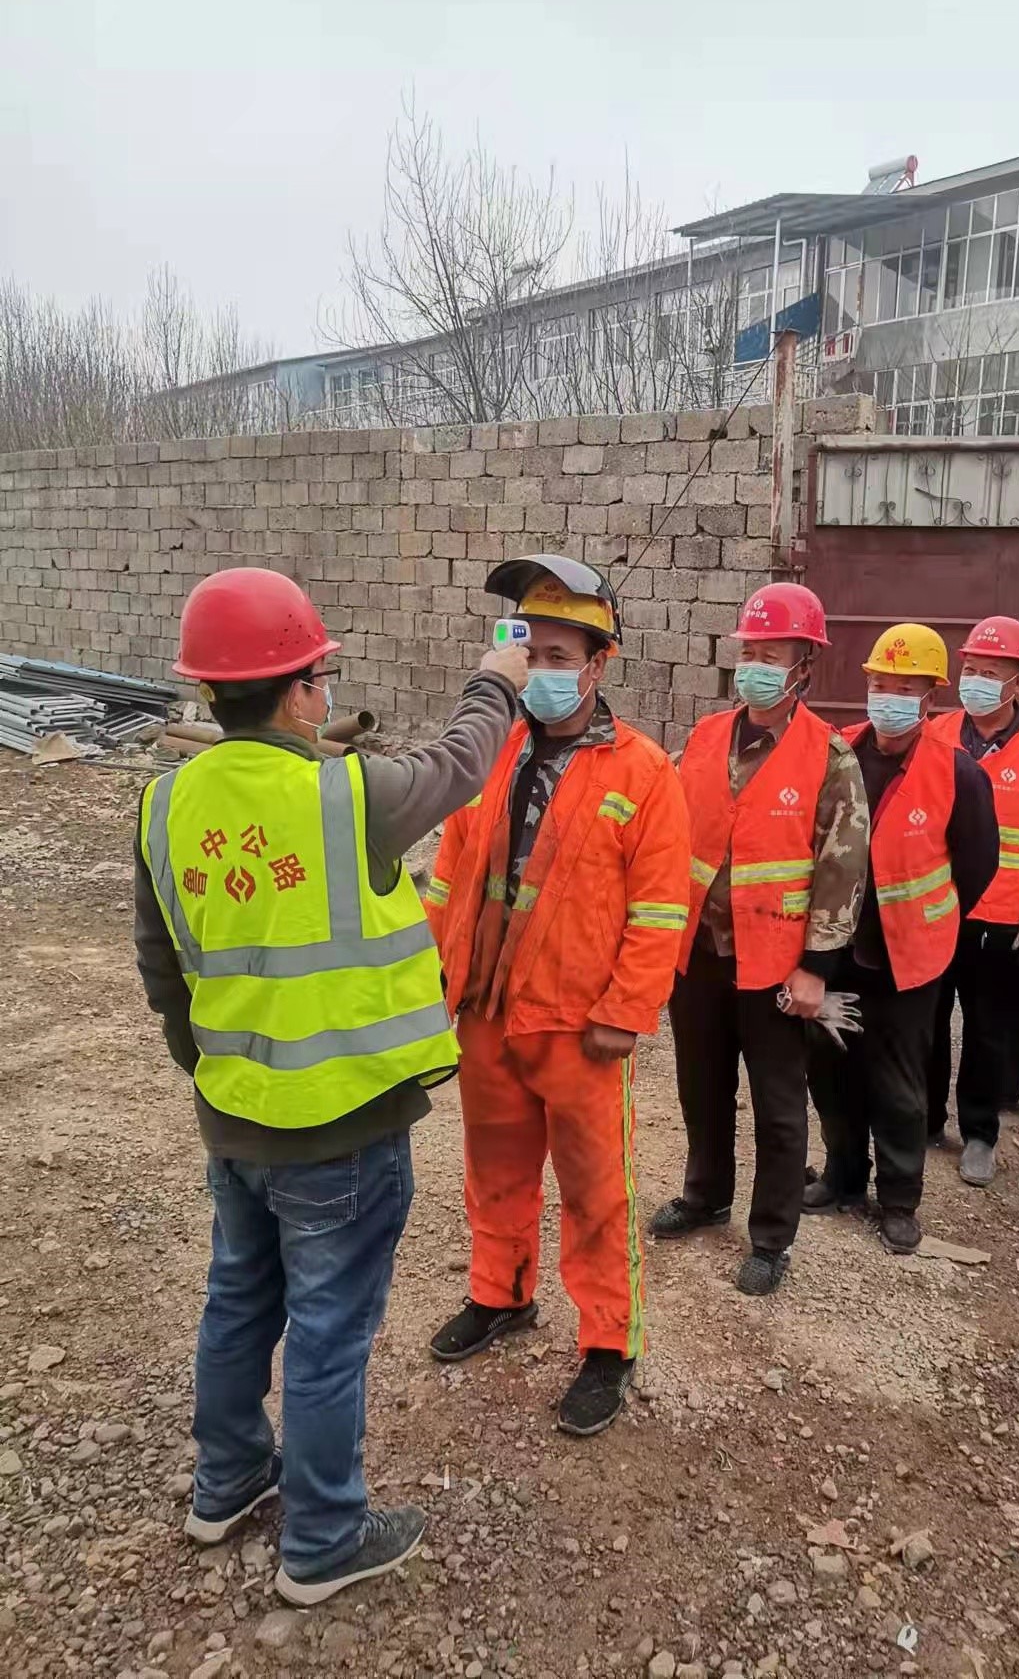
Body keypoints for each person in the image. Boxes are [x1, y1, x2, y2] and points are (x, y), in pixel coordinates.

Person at [134, 567, 524, 1605]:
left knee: (238, 1299)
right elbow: (461, 761)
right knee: (327, 1332)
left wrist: (212, 1068)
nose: (324, 691)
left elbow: (160, 966)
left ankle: (225, 1483)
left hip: (235, 1119)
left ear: (209, 688)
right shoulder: (348, 797)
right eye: (318, 676)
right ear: (301, 692)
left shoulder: (165, 802)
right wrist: (497, 678)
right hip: (343, 1130)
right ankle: (321, 1537)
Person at [424, 554, 689, 1438]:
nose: (539, 671)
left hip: (578, 1026)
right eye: (528, 653)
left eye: (558, 657)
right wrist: (435, 978)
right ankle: (500, 1294)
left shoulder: (642, 771)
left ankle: (609, 1342)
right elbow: (450, 873)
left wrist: (625, 1012)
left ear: (598, 664)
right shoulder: (492, 752)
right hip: (487, 1010)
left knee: (594, 1189)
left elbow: (660, 909)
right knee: (494, 1169)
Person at [650, 583, 868, 1295]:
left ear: (804, 664)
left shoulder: (828, 755)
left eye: (771, 656)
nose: (756, 667)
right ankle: (705, 1195)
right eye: (750, 652)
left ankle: (772, 1237)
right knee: (700, 1087)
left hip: (775, 965)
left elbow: (842, 868)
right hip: (699, 953)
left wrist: (816, 968)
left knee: (777, 1108)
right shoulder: (706, 736)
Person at [803, 624, 999, 1251]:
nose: (888, 698)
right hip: (834, 950)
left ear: (930, 698)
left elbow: (978, 864)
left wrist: (927, 919)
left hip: (906, 957)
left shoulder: (958, 772)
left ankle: (899, 1199)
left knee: (899, 1085)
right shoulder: (837, 753)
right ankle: (841, 1177)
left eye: (904, 689)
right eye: (880, 685)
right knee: (832, 1072)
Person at [926, 616, 1019, 1186]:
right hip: (937, 913)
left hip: (1003, 923)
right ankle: (924, 1121)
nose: (976, 681)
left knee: (989, 1034)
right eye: (970, 669)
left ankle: (980, 1134)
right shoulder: (937, 732)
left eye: (991, 672)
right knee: (926, 1027)